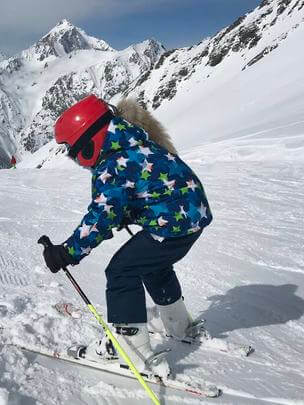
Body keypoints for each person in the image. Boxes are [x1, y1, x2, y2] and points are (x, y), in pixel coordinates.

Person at [41, 95, 213, 378]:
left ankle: (130, 350)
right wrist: (129, 213)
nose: (74, 157)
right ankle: (179, 324)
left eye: (72, 150)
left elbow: (100, 218)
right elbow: (152, 187)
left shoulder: (112, 164)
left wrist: (66, 252)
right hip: (191, 217)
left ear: (88, 141)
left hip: (172, 225)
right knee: (152, 264)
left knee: (121, 271)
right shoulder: (135, 143)